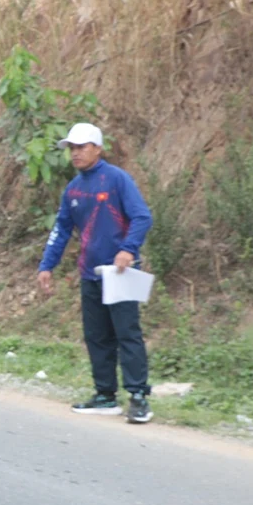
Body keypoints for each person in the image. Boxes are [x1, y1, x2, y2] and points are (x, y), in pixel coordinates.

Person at [36, 122, 154, 423]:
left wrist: (128, 249)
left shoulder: (116, 179)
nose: (75, 153)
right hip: (90, 273)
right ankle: (105, 396)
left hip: (120, 273)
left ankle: (138, 397)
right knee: (97, 337)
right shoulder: (73, 189)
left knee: (127, 334)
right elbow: (61, 229)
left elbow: (141, 216)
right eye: (72, 148)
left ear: (98, 148)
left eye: (81, 147)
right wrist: (47, 265)